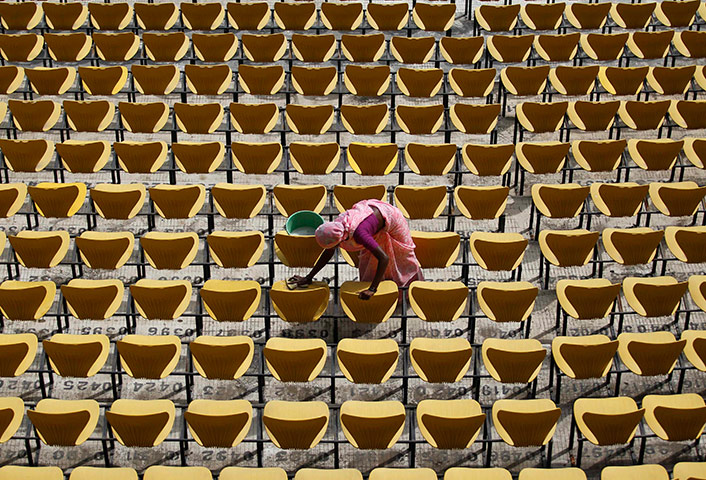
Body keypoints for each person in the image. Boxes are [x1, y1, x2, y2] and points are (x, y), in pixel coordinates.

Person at [291, 199, 424, 300]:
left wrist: (372, 289)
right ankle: (384, 290)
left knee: (402, 256)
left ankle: (406, 292)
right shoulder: (338, 227)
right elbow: (328, 252)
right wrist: (309, 277)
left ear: (341, 240)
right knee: (370, 260)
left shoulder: (360, 235)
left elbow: (384, 258)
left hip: (391, 218)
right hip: (370, 219)